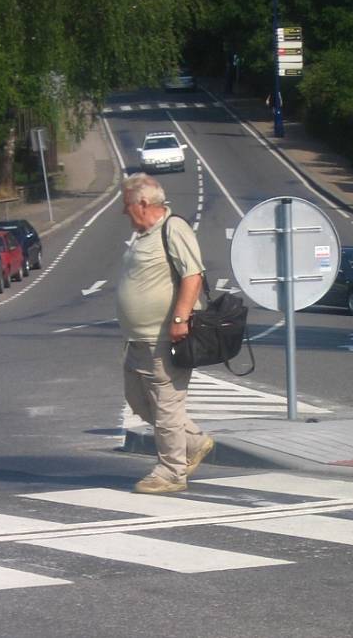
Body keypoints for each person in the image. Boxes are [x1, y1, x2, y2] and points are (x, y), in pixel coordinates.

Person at [116, 173, 214, 494]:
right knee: (138, 399)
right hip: (138, 339)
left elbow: (193, 275)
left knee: (166, 405)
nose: (124, 212)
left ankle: (172, 471)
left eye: (126, 205)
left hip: (164, 338)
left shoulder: (174, 229)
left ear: (143, 204)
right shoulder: (145, 235)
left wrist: (180, 318)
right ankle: (192, 443)